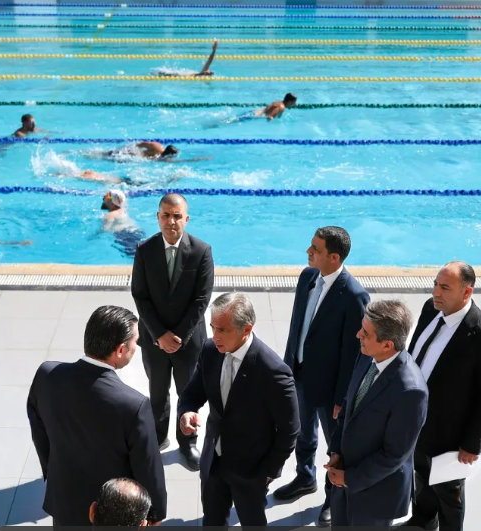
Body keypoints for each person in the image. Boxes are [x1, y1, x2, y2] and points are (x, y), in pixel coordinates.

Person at [26, 305, 168, 526]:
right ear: (120, 350)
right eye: (136, 342)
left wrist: (53, 473)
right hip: (113, 512)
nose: (137, 347)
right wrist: (155, 511)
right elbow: (147, 466)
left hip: (63, 501)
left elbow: (39, 430)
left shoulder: (47, 375)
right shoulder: (134, 405)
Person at [397, 261, 481, 531]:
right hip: (418, 423)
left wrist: (472, 443)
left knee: (449, 493)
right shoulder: (430, 308)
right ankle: (422, 522)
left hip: (451, 435)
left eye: (445, 287)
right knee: (420, 477)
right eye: (436, 284)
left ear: (466, 292)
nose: (436, 292)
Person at [272, 227, 370, 527]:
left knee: (335, 446)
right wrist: (288, 368)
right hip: (300, 375)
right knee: (302, 433)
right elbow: (297, 326)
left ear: (334, 257)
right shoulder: (307, 277)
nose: (308, 251)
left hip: (330, 389)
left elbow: (354, 354)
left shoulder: (354, 295)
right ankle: (305, 477)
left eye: (315, 248)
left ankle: (332, 497)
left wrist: (342, 398)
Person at [177, 292, 300, 526]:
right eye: (212, 327)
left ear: (247, 329)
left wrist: (269, 472)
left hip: (252, 472)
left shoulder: (273, 371)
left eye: (223, 330)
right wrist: (186, 411)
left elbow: (289, 430)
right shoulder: (210, 350)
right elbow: (192, 393)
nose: (215, 336)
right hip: (213, 463)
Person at [325, 300, 429, 527]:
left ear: (387, 345)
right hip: (343, 482)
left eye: (366, 333)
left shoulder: (411, 391)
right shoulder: (367, 355)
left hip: (374, 498)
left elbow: (394, 455)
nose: (358, 335)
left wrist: (349, 478)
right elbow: (348, 408)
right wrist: (336, 451)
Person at [131, 193, 214, 470]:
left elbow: (201, 300)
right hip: (154, 338)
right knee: (157, 391)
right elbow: (140, 296)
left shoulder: (201, 251)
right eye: (166, 215)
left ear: (186, 219)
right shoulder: (144, 250)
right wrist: (159, 335)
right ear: (158, 217)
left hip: (187, 341)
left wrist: (177, 337)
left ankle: (188, 442)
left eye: (177, 216)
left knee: (188, 393)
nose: (171, 221)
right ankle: (158, 436)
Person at [101, 190, 145, 257]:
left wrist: (94, 236)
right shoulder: (123, 212)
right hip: (137, 231)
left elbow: (105, 230)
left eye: (106, 196)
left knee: (135, 256)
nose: (103, 198)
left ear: (112, 202)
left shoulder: (110, 215)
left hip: (124, 234)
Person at [98, 142, 210, 163]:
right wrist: (128, 148)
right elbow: (143, 143)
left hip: (128, 156)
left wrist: (196, 159)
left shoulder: (161, 157)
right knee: (105, 155)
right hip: (125, 153)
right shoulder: (156, 147)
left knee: (104, 156)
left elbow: (181, 161)